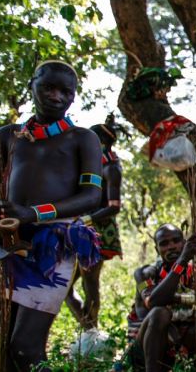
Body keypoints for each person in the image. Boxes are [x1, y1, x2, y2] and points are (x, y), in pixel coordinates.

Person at [0, 60, 103, 371]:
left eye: (66, 92)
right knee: (4, 349)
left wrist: (31, 214)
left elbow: (91, 196)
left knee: (25, 348)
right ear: (32, 85)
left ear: (74, 97)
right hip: (8, 241)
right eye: (48, 87)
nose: (57, 96)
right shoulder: (7, 136)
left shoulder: (83, 138)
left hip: (54, 245)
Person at [125, 224, 196, 372]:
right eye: (164, 243)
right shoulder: (145, 275)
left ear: (184, 244)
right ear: (157, 249)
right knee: (159, 313)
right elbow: (153, 301)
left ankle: (194, 368)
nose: (171, 247)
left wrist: (180, 299)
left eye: (176, 241)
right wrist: (182, 261)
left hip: (184, 344)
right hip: (147, 351)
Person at [66, 113, 124, 330]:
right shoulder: (92, 167)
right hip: (80, 229)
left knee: (90, 284)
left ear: (101, 143)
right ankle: (89, 330)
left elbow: (114, 206)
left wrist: (87, 219)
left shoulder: (111, 168)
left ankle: (91, 333)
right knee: (65, 288)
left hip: (97, 232)